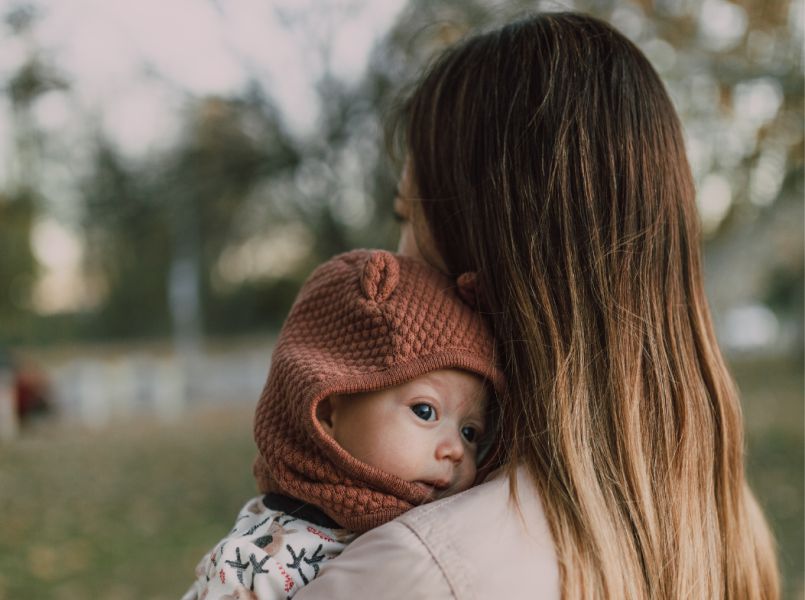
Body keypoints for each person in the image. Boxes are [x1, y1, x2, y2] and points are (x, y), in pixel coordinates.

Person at [292, 12, 781, 600]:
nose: (395, 259)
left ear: (483, 259)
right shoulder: (720, 520)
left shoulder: (416, 570)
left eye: (407, 220)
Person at [184, 249, 505, 599]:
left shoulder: (445, 533)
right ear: (327, 412)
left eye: (470, 432)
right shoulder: (255, 563)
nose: (456, 449)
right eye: (425, 412)